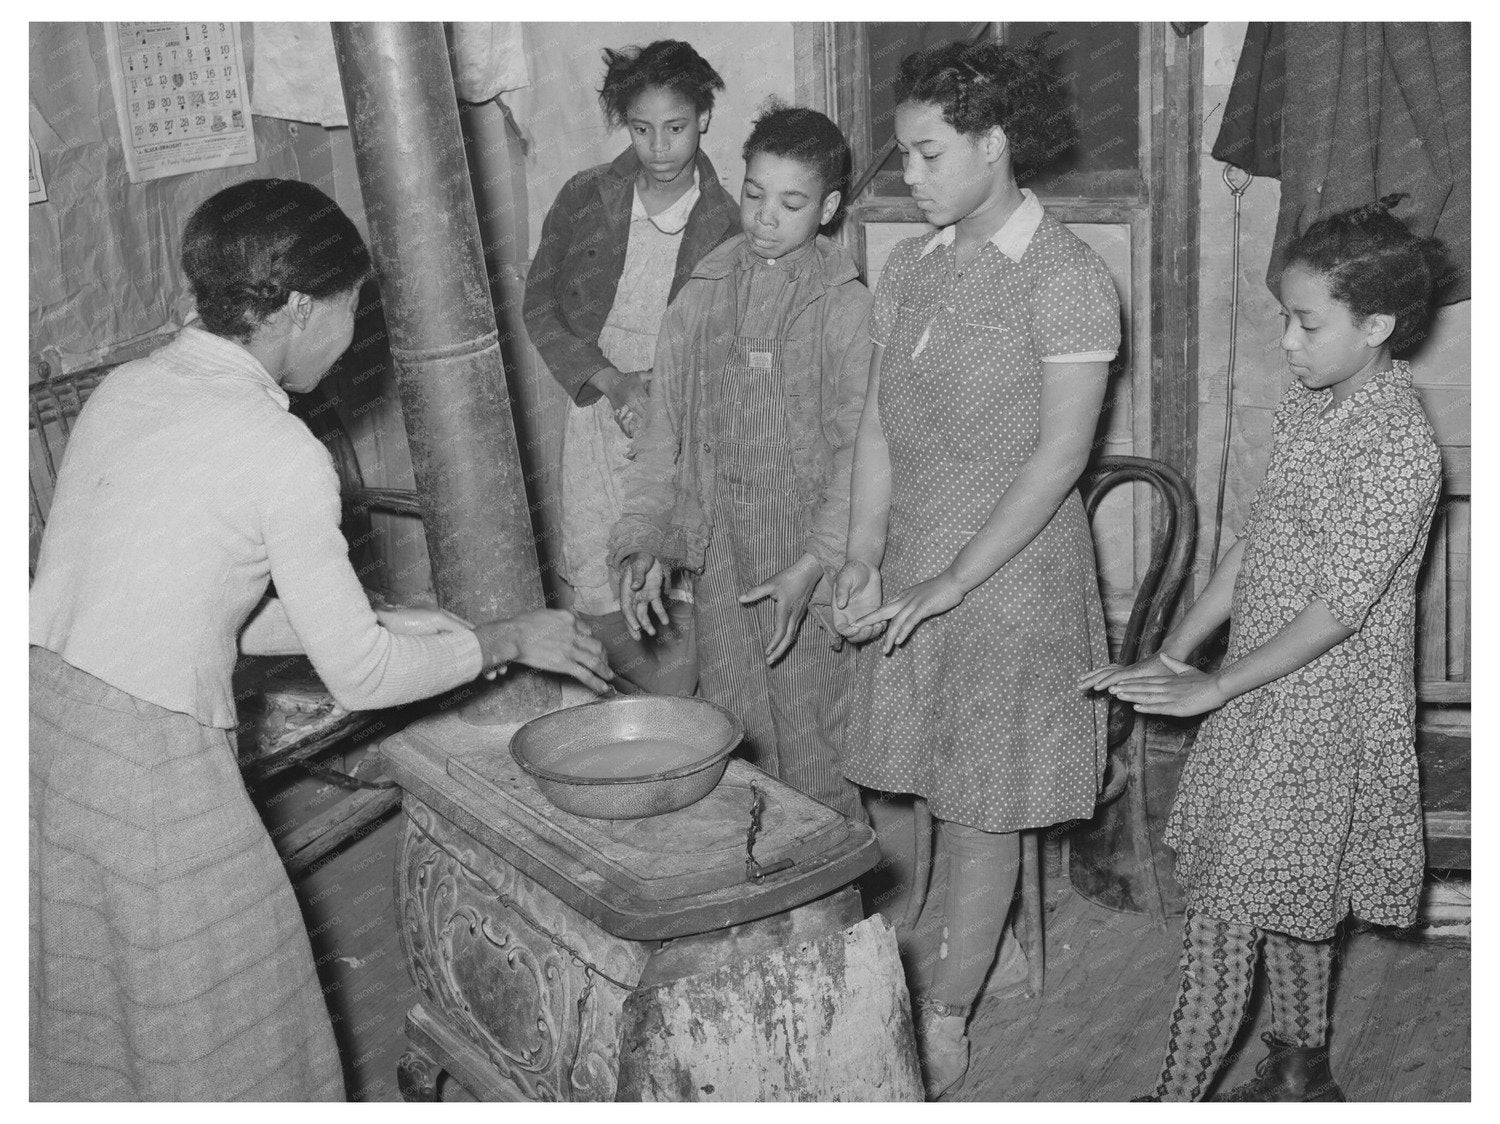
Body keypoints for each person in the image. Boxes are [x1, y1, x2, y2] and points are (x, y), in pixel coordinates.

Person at [29, 178, 612, 1102]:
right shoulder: (282, 449)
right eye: (351, 307)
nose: (351, 335)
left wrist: (382, 621)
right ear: (300, 308)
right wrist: (506, 636)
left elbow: (213, 605)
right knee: (235, 1021)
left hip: (45, 729)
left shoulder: (133, 388)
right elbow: (364, 680)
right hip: (148, 761)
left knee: (103, 1016)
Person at [1081, 196, 1445, 1102]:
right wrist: (1177, 651)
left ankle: (1173, 1104)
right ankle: (1302, 1074)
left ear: (1377, 326)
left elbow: (1338, 609)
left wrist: (1216, 687)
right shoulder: (1313, 406)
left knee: (1229, 910)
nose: (1286, 340)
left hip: (1321, 717)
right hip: (1259, 694)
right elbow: (1257, 544)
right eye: (1286, 316)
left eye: (1305, 322)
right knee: (1287, 889)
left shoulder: (1400, 447)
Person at [830, 40, 1120, 1099]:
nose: (908, 176)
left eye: (927, 153)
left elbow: (1060, 458)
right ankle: (912, 955)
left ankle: (948, 1011)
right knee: (898, 768)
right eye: (903, 155)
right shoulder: (915, 263)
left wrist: (953, 579)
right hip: (913, 553)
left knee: (983, 796)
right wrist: (866, 551)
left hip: (1012, 573)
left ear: (994, 144)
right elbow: (876, 426)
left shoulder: (1068, 276)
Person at [608, 105, 871, 821]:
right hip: (723, 551)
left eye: (790, 203)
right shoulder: (703, 291)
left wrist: (816, 560)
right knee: (735, 725)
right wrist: (647, 541)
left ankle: (830, 902)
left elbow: (860, 456)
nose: (764, 217)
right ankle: (755, 885)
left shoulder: (845, 308)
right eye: (754, 194)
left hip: (811, 555)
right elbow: (665, 435)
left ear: (829, 208)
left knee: (820, 734)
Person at [524, 39, 740, 694]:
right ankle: (619, 708)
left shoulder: (728, 222)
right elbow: (540, 307)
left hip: (676, 414)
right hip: (596, 401)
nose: (659, 147)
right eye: (642, 129)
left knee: (672, 570)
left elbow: (727, 344)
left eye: (675, 128)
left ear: (703, 118)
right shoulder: (585, 196)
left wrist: (662, 395)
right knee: (598, 567)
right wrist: (612, 381)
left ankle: (675, 707)